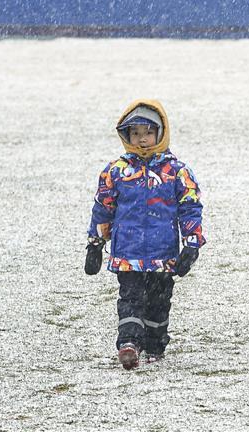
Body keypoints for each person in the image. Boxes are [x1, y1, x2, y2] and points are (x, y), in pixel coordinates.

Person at [86, 99, 205, 369]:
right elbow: (103, 208)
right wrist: (95, 244)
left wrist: (192, 244)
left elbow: (190, 207)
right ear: (126, 136)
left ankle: (154, 343)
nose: (142, 140)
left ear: (161, 133)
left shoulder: (177, 172)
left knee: (158, 302)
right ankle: (128, 343)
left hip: (162, 255)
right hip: (128, 254)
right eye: (136, 133)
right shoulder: (116, 171)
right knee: (130, 298)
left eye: (148, 133)